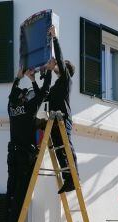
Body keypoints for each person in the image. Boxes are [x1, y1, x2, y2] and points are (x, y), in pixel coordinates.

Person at [4, 64, 53, 222]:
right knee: (21, 191)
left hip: (13, 154)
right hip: (24, 156)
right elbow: (44, 91)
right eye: (25, 96)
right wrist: (40, 77)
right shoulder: (28, 108)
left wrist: (19, 77)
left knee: (11, 188)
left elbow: (12, 94)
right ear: (23, 98)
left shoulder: (11, 108)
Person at [47, 25, 78, 194]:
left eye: (61, 64)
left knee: (67, 148)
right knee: (59, 149)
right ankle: (68, 179)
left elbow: (59, 58)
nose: (58, 64)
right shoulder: (57, 84)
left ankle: (74, 177)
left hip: (63, 119)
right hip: (54, 119)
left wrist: (55, 38)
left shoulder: (66, 80)